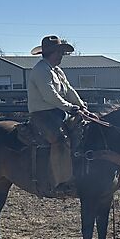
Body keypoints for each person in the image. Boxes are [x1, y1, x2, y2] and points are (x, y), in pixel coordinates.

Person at [27, 35, 87, 188]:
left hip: (58, 113)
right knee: (60, 139)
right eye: (59, 52)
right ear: (51, 53)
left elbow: (69, 90)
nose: (61, 55)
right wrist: (70, 107)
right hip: (43, 115)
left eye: (62, 52)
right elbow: (49, 95)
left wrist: (81, 105)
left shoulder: (57, 71)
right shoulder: (40, 70)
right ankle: (61, 181)